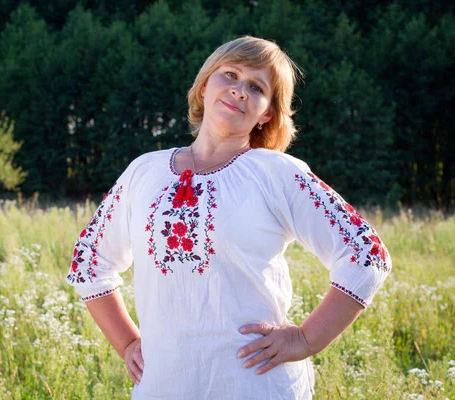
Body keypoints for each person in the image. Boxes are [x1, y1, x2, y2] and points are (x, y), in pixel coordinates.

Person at [66, 36, 392, 399]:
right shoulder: (144, 171)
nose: (239, 90)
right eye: (231, 75)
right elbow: (89, 261)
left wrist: (305, 339)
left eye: (256, 87)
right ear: (205, 86)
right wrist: (127, 343)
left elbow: (367, 254)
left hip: (255, 385)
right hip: (164, 386)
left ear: (267, 112)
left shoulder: (277, 173)